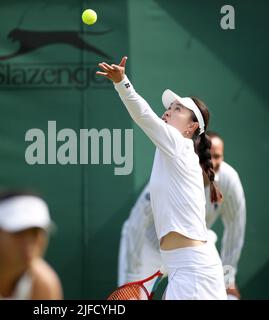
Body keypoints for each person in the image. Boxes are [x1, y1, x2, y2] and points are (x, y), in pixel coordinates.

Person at [97, 56, 227, 299]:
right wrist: (169, 264)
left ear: (190, 128)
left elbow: (143, 116)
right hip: (183, 268)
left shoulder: (179, 144)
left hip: (194, 273)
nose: (168, 111)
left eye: (178, 109)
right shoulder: (175, 152)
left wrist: (122, 82)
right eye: (169, 107)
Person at [118, 131, 246, 299]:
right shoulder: (171, 174)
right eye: (206, 156)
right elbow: (137, 223)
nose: (212, 162)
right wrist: (132, 279)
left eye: (217, 156)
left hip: (195, 249)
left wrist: (228, 279)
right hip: (150, 246)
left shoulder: (229, 180)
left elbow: (235, 229)